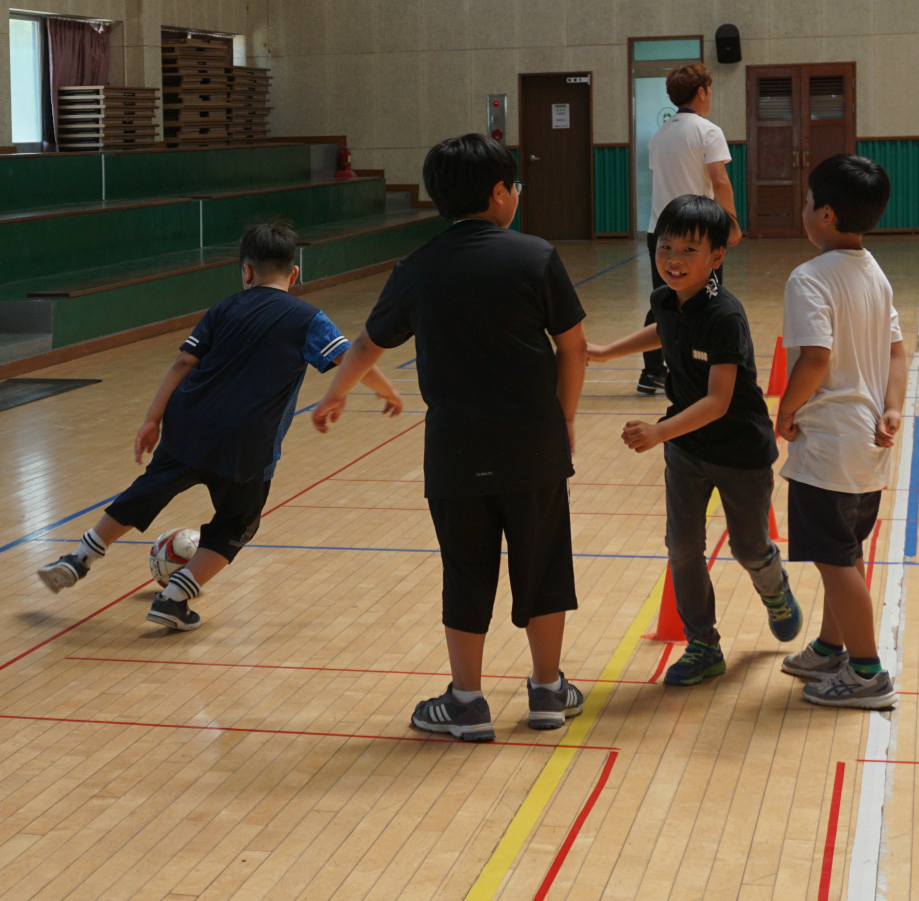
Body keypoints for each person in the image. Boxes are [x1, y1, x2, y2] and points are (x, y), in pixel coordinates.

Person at [312, 134, 588, 742]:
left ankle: (466, 702)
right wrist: (563, 416)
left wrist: (336, 394)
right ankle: (547, 692)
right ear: (498, 193)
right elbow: (574, 348)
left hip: (457, 452)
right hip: (533, 446)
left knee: (465, 568)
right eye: (514, 186)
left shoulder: (418, 267)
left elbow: (366, 344)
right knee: (542, 565)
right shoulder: (536, 256)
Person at [37, 222, 401, 631]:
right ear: (294, 274)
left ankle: (78, 558)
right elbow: (350, 358)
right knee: (236, 524)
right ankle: (174, 599)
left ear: (245, 272)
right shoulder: (307, 318)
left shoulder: (223, 309)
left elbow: (182, 364)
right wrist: (387, 391)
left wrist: (152, 418)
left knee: (145, 493)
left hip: (189, 424)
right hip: (247, 443)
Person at [585, 195, 802, 687]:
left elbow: (719, 400)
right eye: (665, 247)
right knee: (682, 547)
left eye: (688, 250)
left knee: (749, 549)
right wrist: (606, 353)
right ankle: (703, 643)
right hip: (686, 450)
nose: (673, 260)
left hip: (739, 452)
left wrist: (659, 430)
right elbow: (662, 331)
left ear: (717, 257)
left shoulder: (725, 315)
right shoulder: (665, 299)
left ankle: (774, 588)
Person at [776, 154, 908, 709]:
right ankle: (832, 647)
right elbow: (899, 350)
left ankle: (867, 672)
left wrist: (784, 412)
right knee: (845, 552)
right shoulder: (873, 271)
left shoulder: (808, 278)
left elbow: (815, 358)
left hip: (828, 446)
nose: (804, 209)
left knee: (838, 563)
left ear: (825, 214)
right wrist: (894, 407)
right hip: (868, 447)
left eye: (808, 201)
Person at [637, 63, 740, 396]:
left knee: (663, 303)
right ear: (701, 92)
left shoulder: (659, 135)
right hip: (697, 236)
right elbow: (719, 181)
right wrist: (731, 224)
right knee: (707, 303)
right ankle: (703, 370)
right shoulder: (707, 131)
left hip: (661, 234)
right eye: (709, 90)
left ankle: (652, 372)